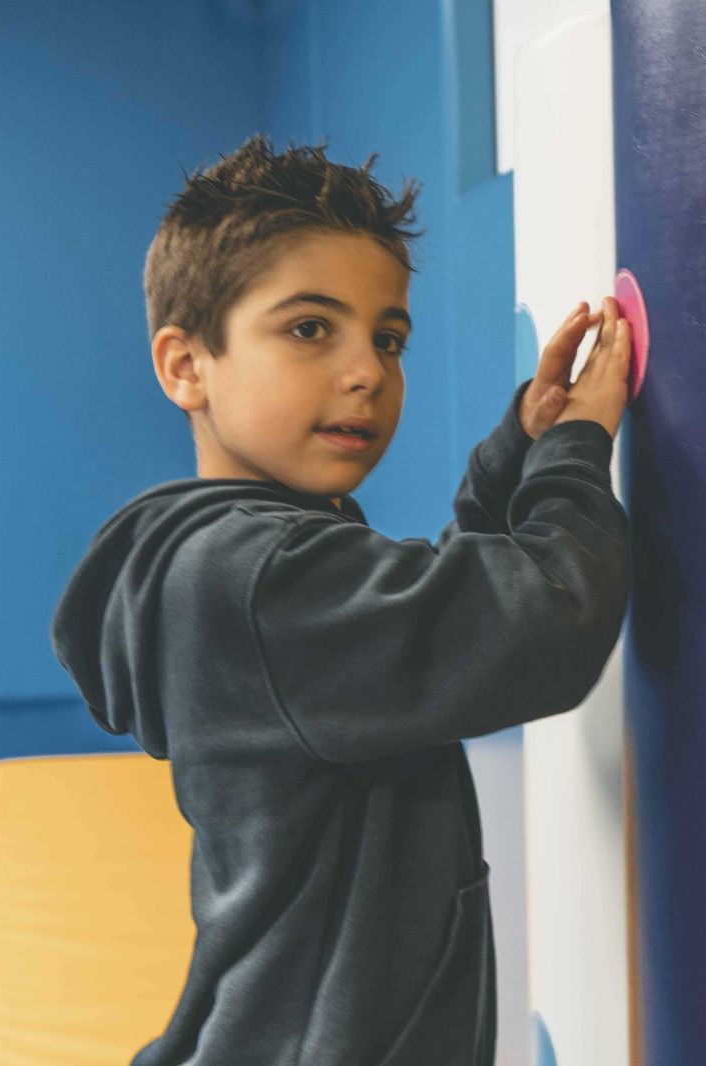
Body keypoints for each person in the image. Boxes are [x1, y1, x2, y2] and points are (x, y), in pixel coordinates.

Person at [49, 133, 632, 1065]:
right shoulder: (255, 575)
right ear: (185, 365)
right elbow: (542, 623)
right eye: (311, 328)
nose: (367, 370)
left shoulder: (236, 562)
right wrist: (578, 451)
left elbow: (429, 638)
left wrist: (519, 452)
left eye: (388, 337)